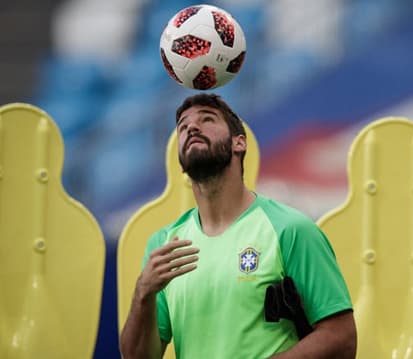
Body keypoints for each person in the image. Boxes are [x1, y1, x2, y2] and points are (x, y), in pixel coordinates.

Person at [119, 93, 357, 359]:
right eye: (183, 127)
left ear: (239, 143)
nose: (192, 128)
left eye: (207, 120)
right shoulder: (165, 245)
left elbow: (342, 338)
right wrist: (143, 293)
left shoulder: (289, 229)